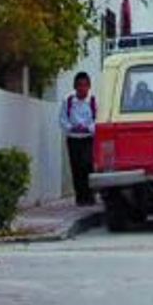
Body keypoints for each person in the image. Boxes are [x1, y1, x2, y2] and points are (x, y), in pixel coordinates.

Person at [60, 70, 97, 207]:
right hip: (73, 138)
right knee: (76, 168)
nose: (82, 88)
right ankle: (80, 197)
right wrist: (71, 127)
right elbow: (62, 119)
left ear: (89, 86)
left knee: (87, 165)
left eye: (85, 85)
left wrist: (88, 128)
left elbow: (97, 119)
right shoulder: (68, 101)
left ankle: (90, 195)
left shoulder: (93, 101)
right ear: (75, 86)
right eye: (79, 85)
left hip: (88, 138)